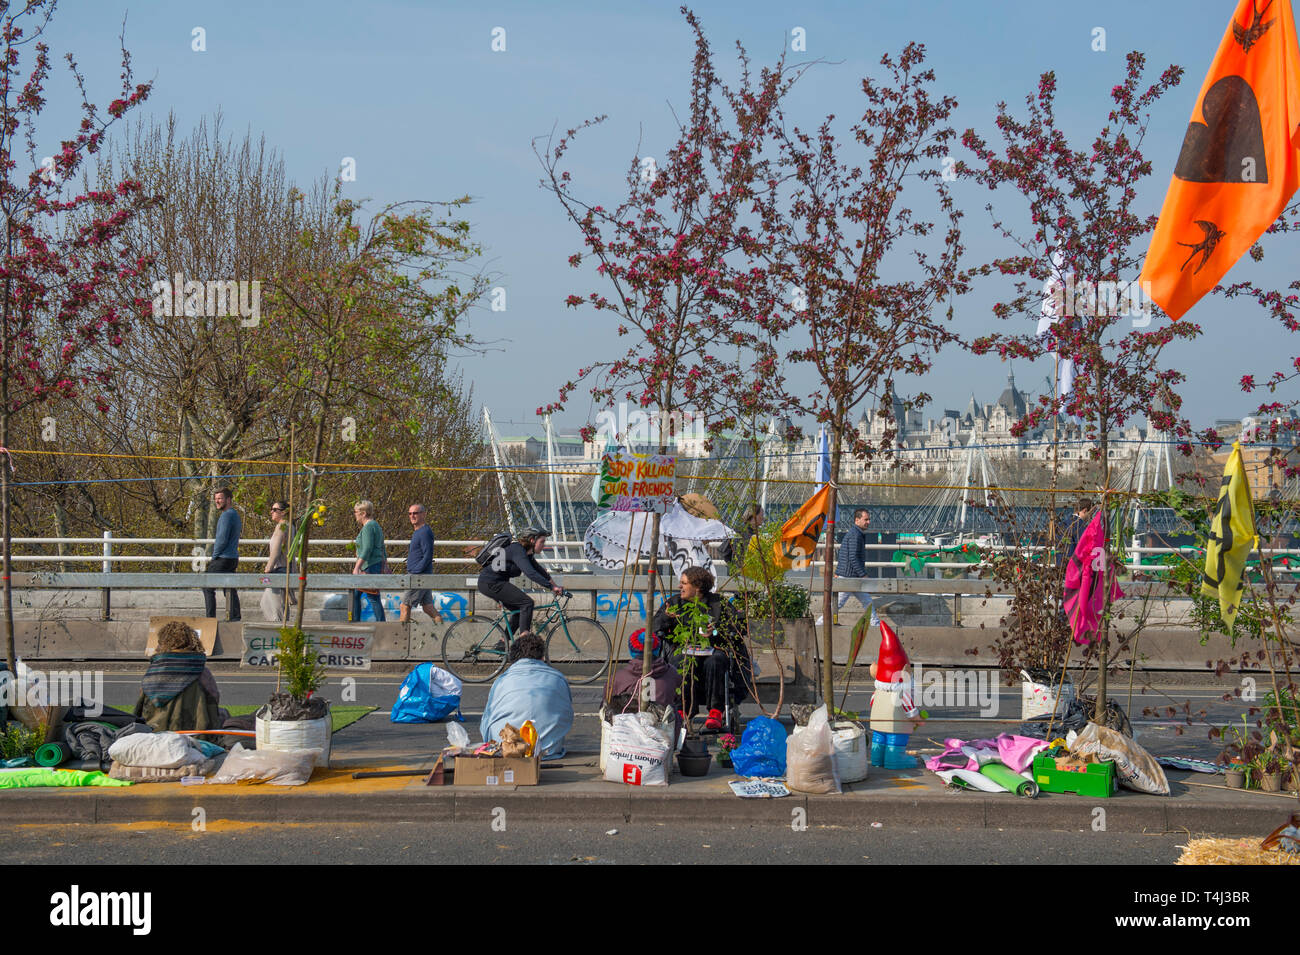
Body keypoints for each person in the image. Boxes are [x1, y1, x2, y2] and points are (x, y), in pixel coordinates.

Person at [652, 566, 750, 731]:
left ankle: (715, 711)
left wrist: (716, 630)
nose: (679, 587)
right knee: (680, 660)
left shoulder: (718, 603)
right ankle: (683, 709)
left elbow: (739, 628)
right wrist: (667, 618)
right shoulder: (674, 603)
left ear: (697, 587)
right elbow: (656, 626)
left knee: (716, 660)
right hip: (683, 649)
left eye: (684, 583)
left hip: (713, 649)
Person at [479, 632, 573, 759]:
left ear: (514, 658)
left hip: (506, 747)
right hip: (547, 749)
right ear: (542, 657)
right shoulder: (558, 678)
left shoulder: (501, 680)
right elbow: (566, 716)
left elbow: (486, 720)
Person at [135, 621, 223, 732]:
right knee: (223, 714)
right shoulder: (201, 671)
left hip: (155, 732)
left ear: (163, 642)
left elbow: (142, 705)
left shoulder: (153, 671)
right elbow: (214, 700)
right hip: (196, 733)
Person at [476, 527, 564, 636]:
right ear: (532, 540)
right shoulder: (517, 550)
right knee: (527, 603)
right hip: (491, 583)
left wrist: (556, 586)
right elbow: (530, 573)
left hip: (496, 583)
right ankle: (524, 640)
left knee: (519, 611)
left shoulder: (527, 553)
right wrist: (551, 587)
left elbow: (540, 571)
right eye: (542, 542)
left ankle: (503, 643)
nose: (544, 545)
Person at [609, 628, 683, 740]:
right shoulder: (672, 673)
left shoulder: (619, 677)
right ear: (657, 649)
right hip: (664, 736)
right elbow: (679, 698)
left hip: (626, 737)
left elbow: (606, 705)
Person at [817, 507, 880, 629]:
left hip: (851, 576)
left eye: (869, 519)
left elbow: (845, 556)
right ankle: (819, 625)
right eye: (866, 519)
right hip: (849, 577)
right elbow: (853, 557)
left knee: (867, 602)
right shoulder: (855, 535)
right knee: (838, 604)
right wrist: (863, 575)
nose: (868, 522)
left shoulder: (855, 533)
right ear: (857, 520)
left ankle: (875, 625)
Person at [202, 487, 242, 621]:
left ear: (228, 499)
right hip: (233, 558)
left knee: (207, 586)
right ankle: (235, 616)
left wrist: (214, 557)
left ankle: (210, 619)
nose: (217, 501)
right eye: (215, 499)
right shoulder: (235, 515)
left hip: (223, 558)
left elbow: (222, 539)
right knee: (229, 587)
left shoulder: (226, 515)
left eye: (220, 498)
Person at [400, 503, 441, 623]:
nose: (412, 516)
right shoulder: (418, 532)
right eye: (410, 513)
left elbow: (428, 555)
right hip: (422, 575)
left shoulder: (424, 532)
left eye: (415, 513)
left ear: (424, 514)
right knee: (428, 607)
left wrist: (416, 571)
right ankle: (443, 630)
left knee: (404, 606)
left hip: (419, 576)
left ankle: (401, 638)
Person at [350, 500, 387, 622]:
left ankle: (381, 624)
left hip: (369, 565)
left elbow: (367, 548)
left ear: (363, 513)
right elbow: (382, 548)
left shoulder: (368, 527)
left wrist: (357, 567)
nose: (354, 514)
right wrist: (385, 565)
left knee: (372, 596)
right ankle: (356, 621)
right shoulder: (376, 525)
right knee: (356, 595)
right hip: (374, 564)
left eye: (356, 512)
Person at [261, 500, 295, 622]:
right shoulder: (290, 526)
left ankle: (278, 632)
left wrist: (268, 568)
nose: (272, 512)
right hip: (286, 568)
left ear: (284, 513)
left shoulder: (282, 526)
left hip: (279, 569)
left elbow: (276, 550)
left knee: (274, 606)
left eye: (275, 510)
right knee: (279, 605)